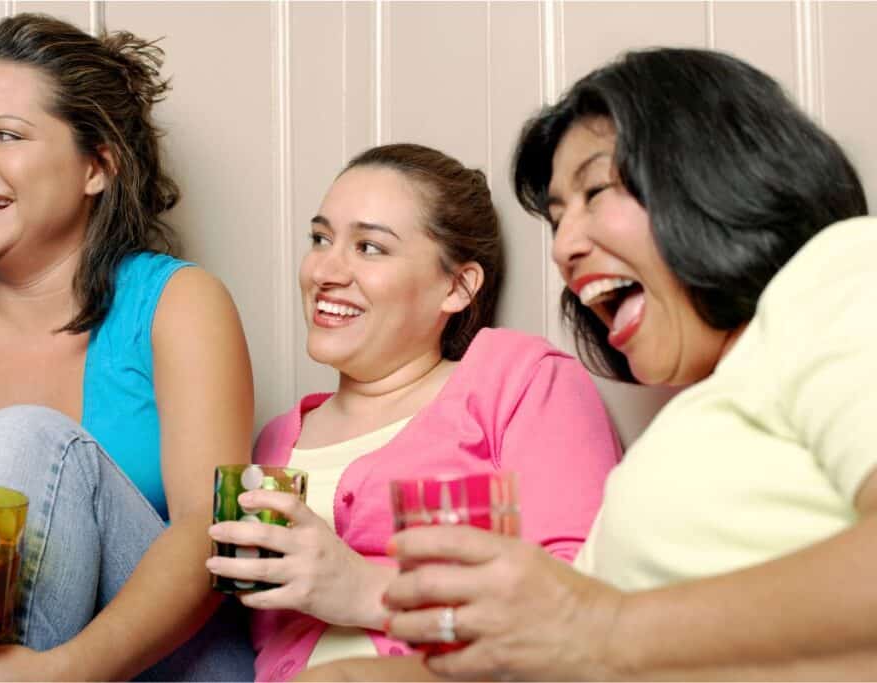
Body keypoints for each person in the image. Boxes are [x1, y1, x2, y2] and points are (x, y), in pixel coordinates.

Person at [299, 47, 877, 681]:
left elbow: (595, 638)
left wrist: (600, 627)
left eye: (596, 191)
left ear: (717, 174)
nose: (565, 248)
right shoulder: (696, 424)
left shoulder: (841, 274)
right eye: (556, 219)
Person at [0, 13, 256, 682]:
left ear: (97, 166)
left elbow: (204, 536)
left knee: (22, 438)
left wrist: (65, 670)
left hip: (172, 665)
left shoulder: (180, 304)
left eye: (4, 136)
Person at [204, 143, 621, 682]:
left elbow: (583, 595)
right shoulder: (275, 440)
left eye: (370, 248)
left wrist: (366, 590)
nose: (326, 270)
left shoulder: (516, 381)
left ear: (457, 286)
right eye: (320, 239)